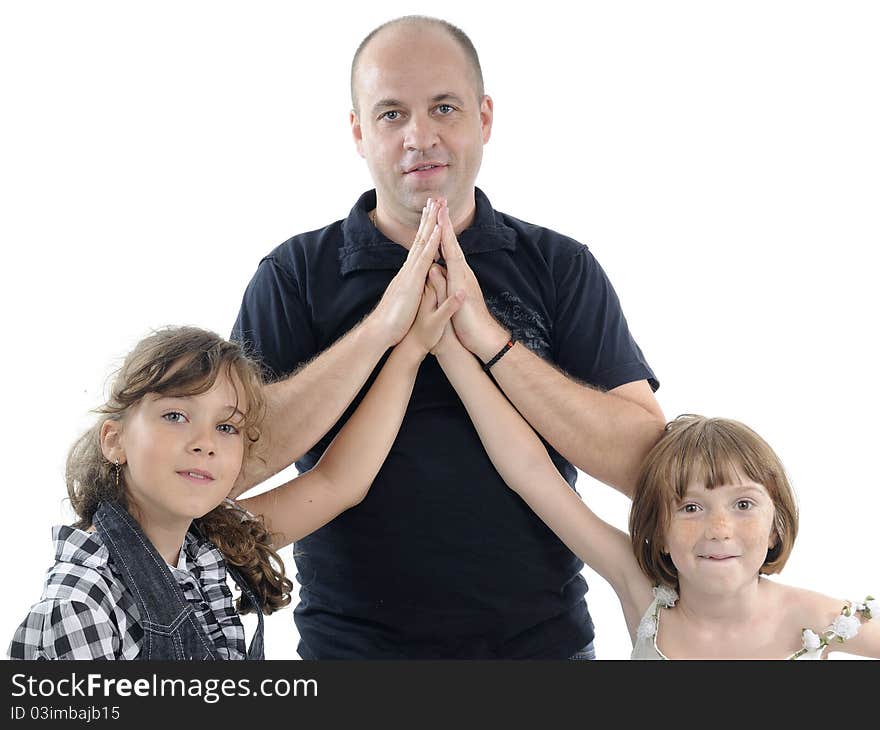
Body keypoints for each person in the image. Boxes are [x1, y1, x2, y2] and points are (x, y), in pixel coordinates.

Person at [232, 16, 665, 659]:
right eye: (390, 114)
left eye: (444, 107)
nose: (420, 137)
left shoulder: (560, 265)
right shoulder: (294, 276)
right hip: (351, 660)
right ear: (358, 132)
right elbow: (223, 466)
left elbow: (651, 470)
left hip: (543, 655)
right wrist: (383, 332)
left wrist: (490, 343)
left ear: (484, 118)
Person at [420, 277, 877, 658]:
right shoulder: (645, 595)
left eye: (742, 504)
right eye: (691, 507)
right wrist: (450, 350)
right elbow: (533, 473)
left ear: (777, 524)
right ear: (657, 528)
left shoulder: (812, 618)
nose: (719, 528)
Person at [9, 297, 459, 660]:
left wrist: (412, 347)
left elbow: (337, 483)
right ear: (115, 440)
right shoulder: (81, 606)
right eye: (175, 415)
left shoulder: (202, 548)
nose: (205, 442)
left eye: (226, 426)